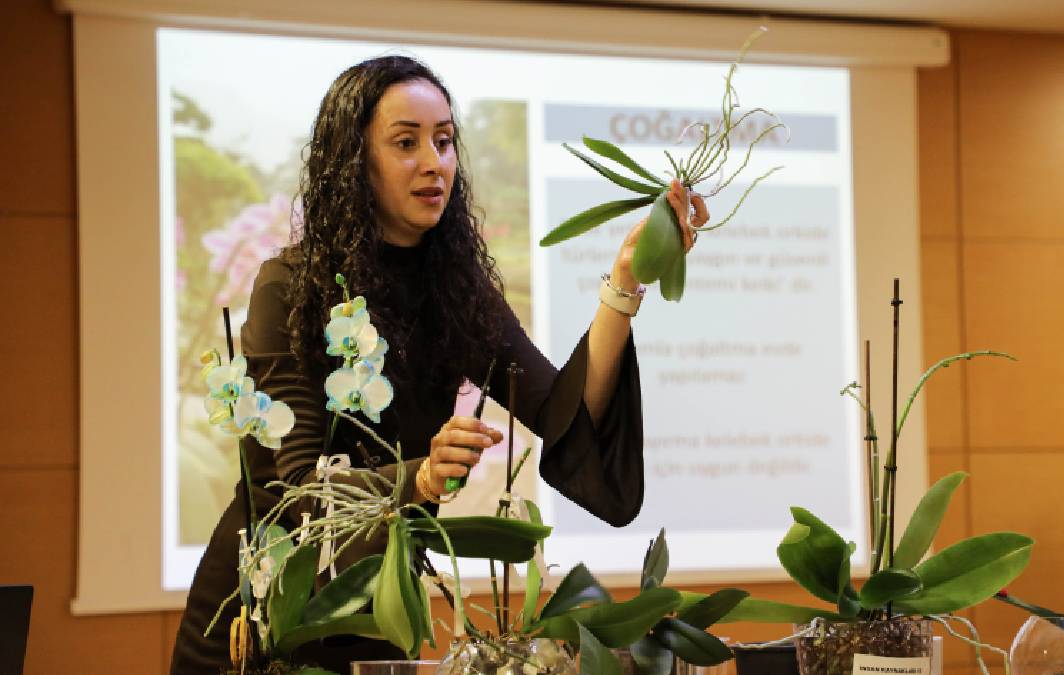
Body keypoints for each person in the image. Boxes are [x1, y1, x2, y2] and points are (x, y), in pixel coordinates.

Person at [170, 54, 707, 674]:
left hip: (377, 610)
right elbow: (300, 490)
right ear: (355, 162)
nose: (434, 162)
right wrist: (420, 479)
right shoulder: (291, 286)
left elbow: (565, 416)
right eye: (407, 142)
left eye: (445, 140)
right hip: (262, 618)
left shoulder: (458, 291)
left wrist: (624, 284)